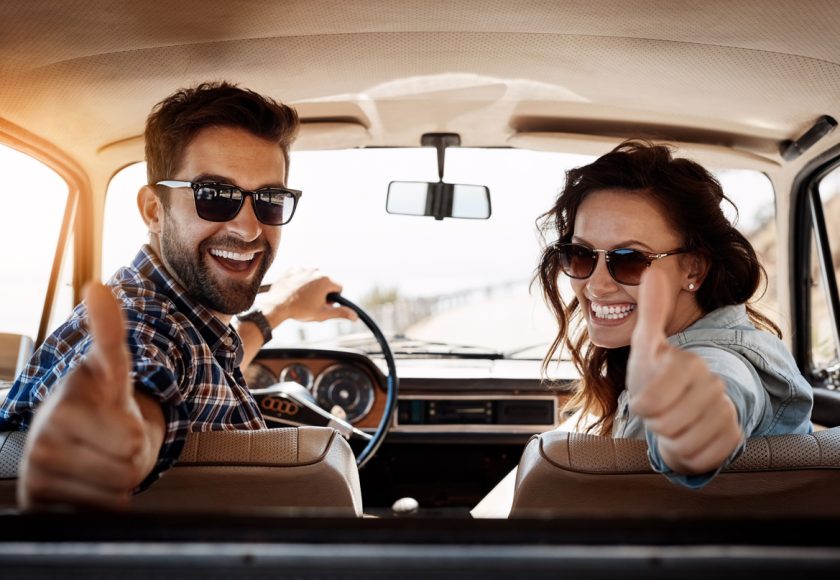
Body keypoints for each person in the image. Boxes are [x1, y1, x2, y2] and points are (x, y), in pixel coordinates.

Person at [0, 81, 357, 509]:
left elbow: (201, 368)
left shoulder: (190, 328)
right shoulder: (140, 319)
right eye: (215, 196)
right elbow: (139, 380)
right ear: (154, 210)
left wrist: (275, 312)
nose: (248, 228)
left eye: (270, 199)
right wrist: (112, 444)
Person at [536, 139, 813, 488]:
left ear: (693, 270)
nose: (596, 284)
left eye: (630, 260)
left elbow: (719, 388)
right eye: (581, 255)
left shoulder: (719, 361)